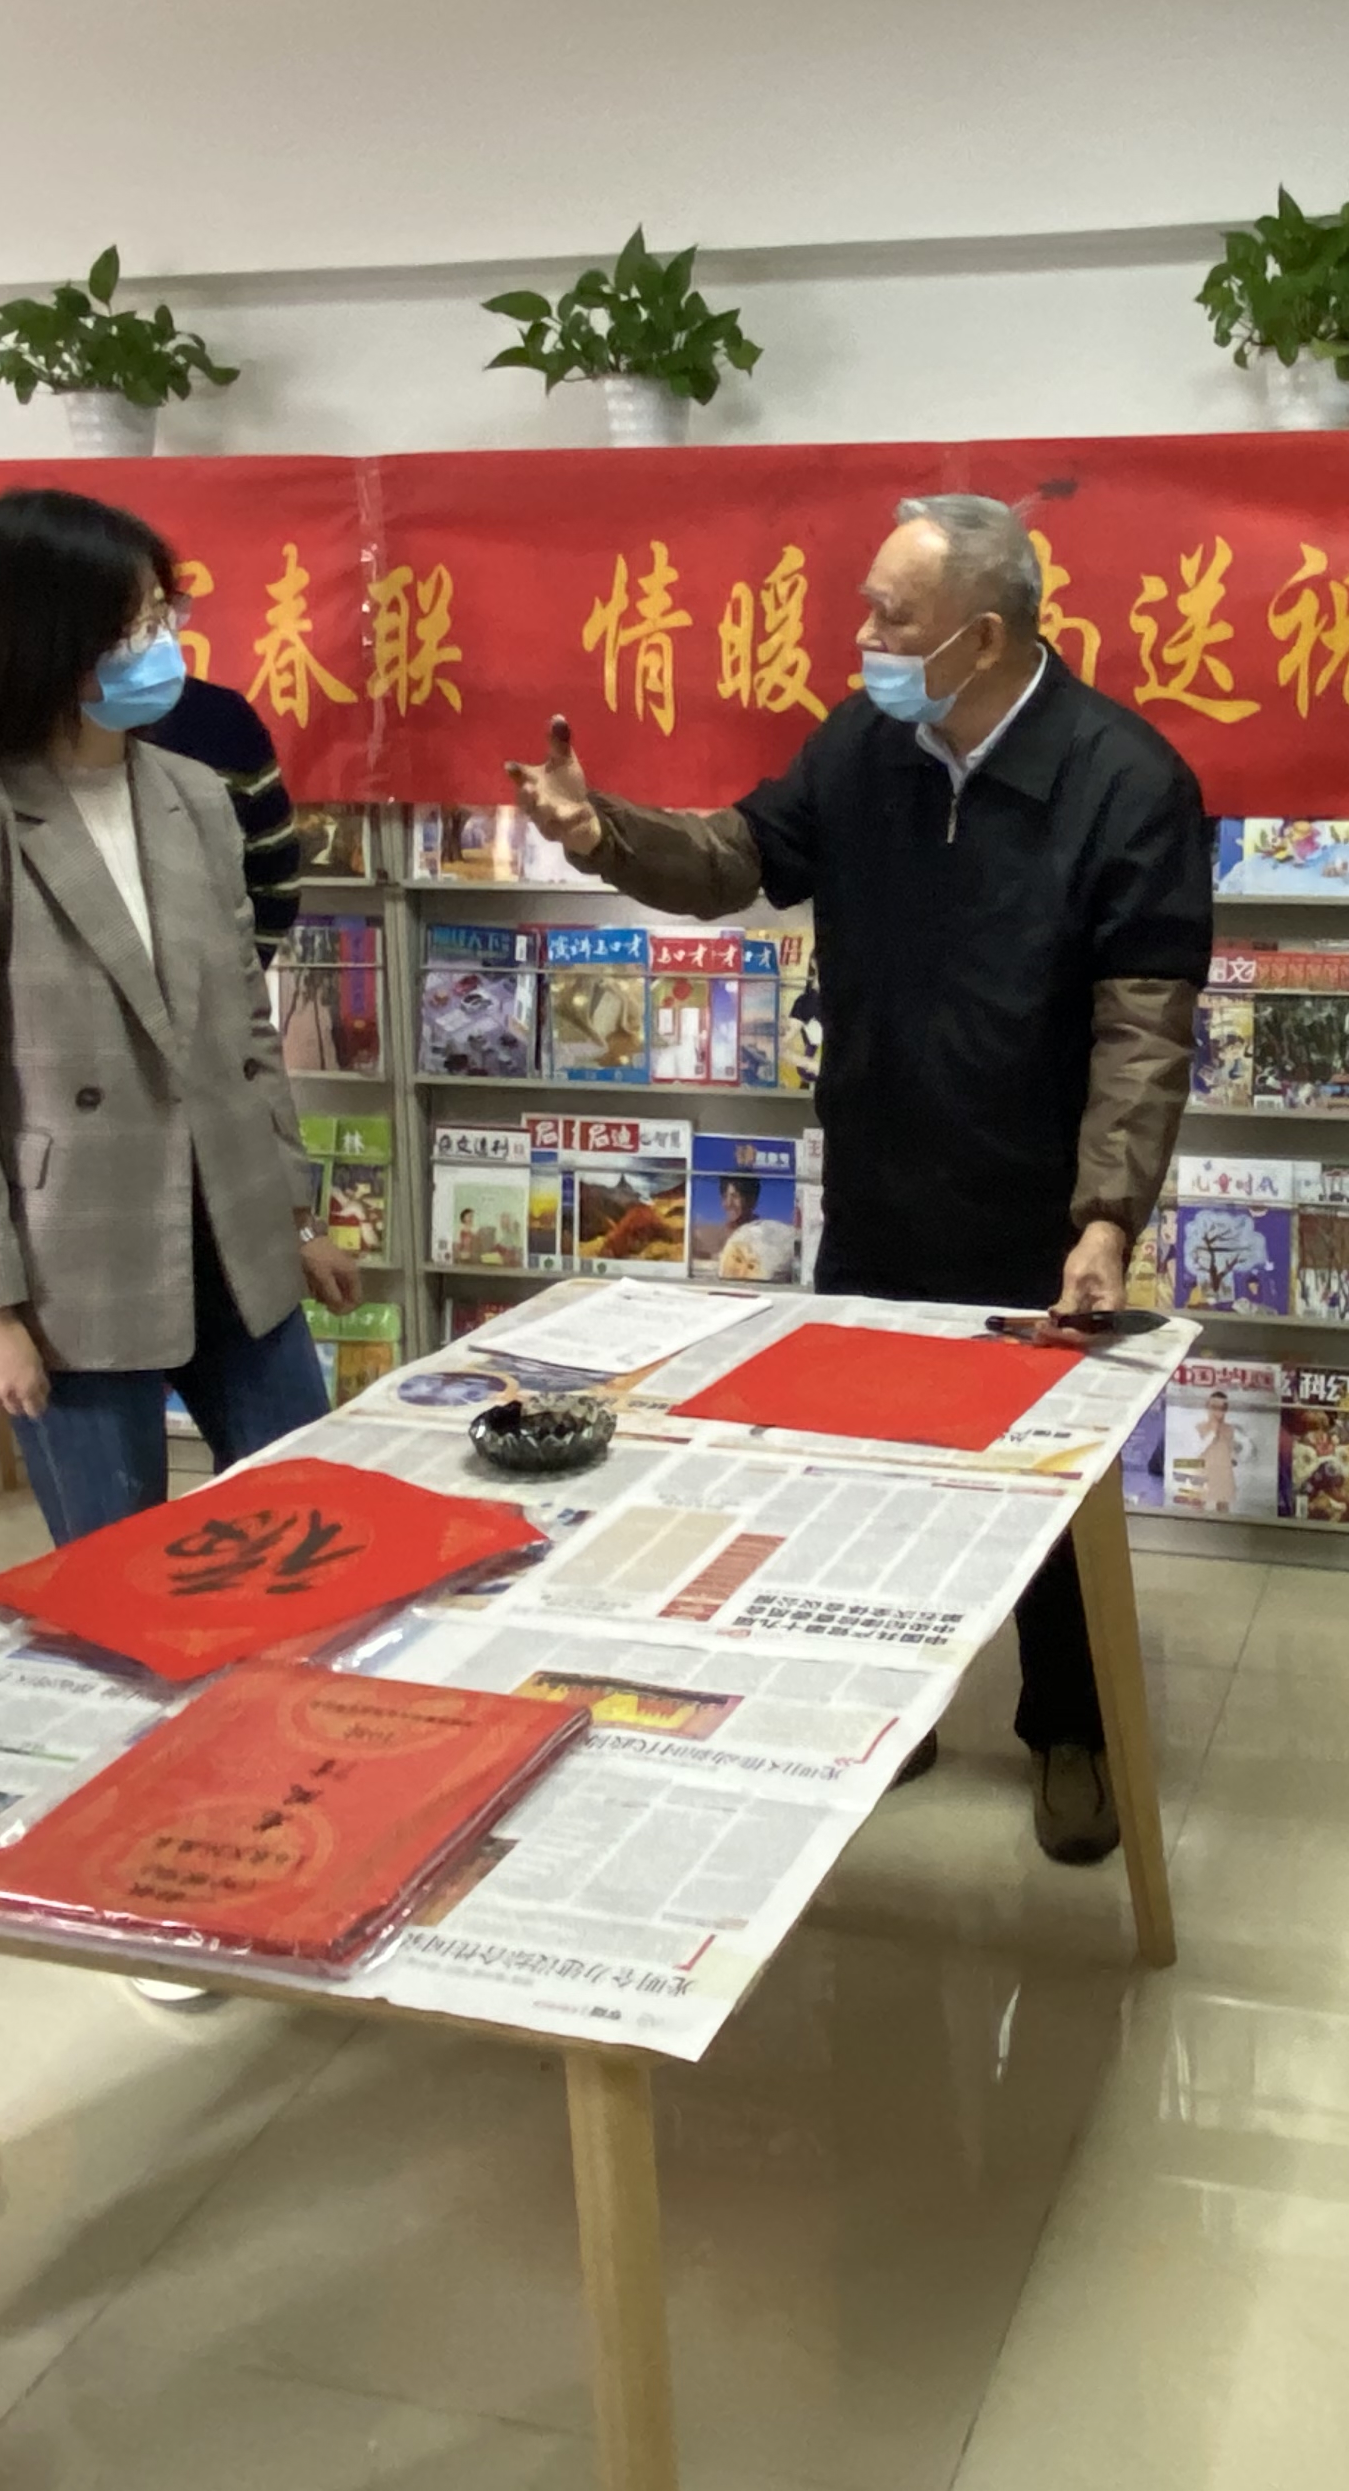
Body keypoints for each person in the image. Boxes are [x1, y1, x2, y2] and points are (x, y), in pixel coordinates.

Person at [508, 490, 1212, 1865]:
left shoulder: (1125, 778)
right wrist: (603, 834)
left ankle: (1072, 1731)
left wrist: (1106, 1217)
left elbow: (1144, 1020)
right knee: (875, 1468)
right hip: (883, 1175)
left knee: (1050, 1489)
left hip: (1038, 1199)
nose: (864, 639)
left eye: (893, 617)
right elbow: (739, 855)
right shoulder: (864, 743)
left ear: (985, 637)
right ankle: (903, 1705)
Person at [0, 485, 363, 1547]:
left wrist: (296, 1217)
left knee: (312, 1524)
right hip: (72, 1266)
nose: (165, 643)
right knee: (121, 1568)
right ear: (52, 637)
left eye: (164, 614)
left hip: (234, 1234)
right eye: (137, 622)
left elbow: (246, 1028)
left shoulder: (193, 793)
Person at [0, 659, 317, 940]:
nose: (154, 635)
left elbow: (274, 890)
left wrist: (222, 1000)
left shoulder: (212, 747)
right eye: (137, 617)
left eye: (160, 611)